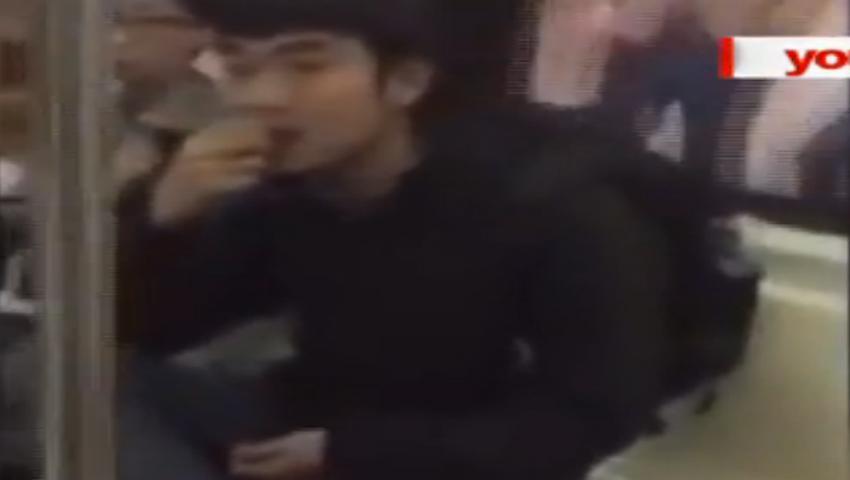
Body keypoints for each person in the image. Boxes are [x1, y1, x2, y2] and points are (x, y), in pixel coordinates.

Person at [117, 1, 677, 479]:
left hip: (456, 454)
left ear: (405, 81)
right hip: (312, 420)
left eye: (307, 65)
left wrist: (351, 452)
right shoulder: (290, 192)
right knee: (92, 380)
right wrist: (160, 219)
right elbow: (152, 329)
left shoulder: (549, 204)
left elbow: (586, 421)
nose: (263, 97)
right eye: (239, 68)